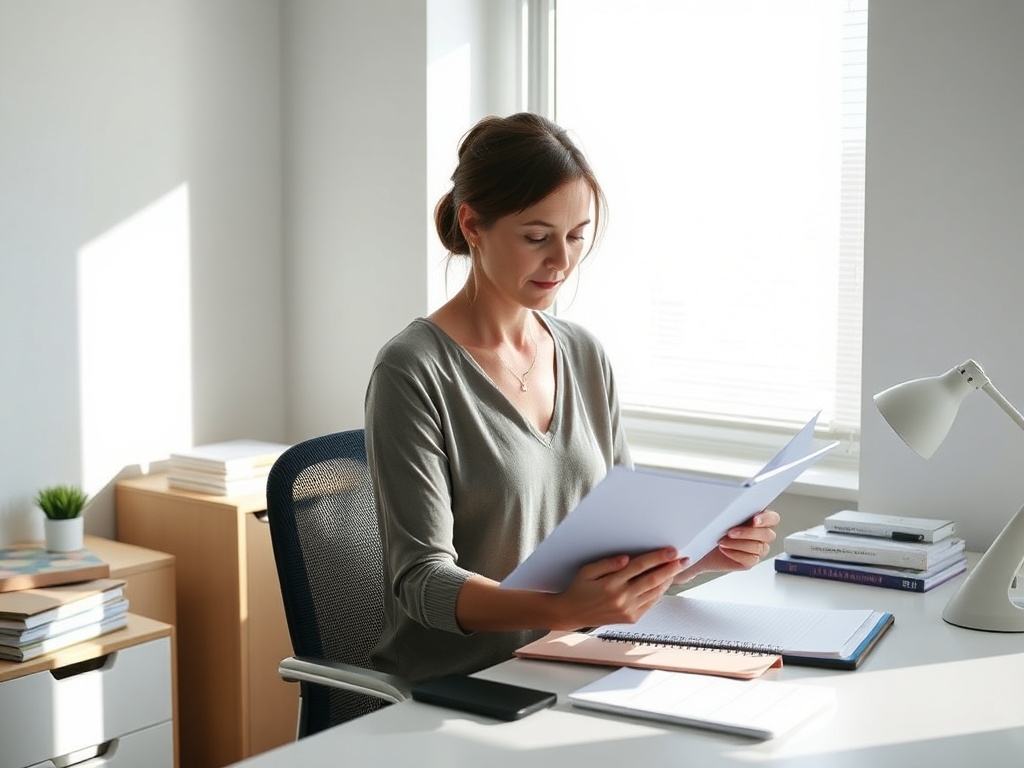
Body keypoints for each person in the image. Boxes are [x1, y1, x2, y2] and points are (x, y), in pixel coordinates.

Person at [364, 112, 780, 684]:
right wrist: (559, 609)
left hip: (577, 664)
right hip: (466, 687)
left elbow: (624, 537)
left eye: (577, 235)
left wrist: (703, 555)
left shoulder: (583, 353)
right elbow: (421, 581)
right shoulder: (412, 369)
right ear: (473, 225)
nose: (561, 261)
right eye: (536, 237)